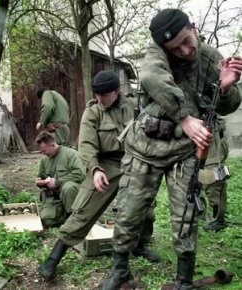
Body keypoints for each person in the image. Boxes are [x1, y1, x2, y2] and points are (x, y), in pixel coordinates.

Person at [100, 9, 242, 290]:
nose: (186, 51)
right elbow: (151, 76)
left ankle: (184, 280)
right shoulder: (156, 53)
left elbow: (231, 104)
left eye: (188, 41)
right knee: (129, 212)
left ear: (193, 26)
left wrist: (225, 88)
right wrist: (185, 117)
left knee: (186, 217)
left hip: (185, 152)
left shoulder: (212, 57)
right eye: (176, 48)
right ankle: (120, 270)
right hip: (145, 148)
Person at [37, 70, 160, 281]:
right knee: (83, 210)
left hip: (133, 162)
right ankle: (53, 260)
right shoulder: (92, 112)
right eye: (97, 94)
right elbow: (86, 145)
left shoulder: (132, 105)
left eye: (104, 94)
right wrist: (94, 169)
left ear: (116, 91)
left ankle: (140, 246)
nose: (99, 99)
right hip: (104, 165)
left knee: (146, 209)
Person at [36, 131, 85, 228]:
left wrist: (57, 182)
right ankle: (65, 216)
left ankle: (73, 218)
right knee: (47, 221)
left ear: (53, 145)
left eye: (45, 151)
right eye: (41, 151)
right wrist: (41, 182)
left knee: (68, 187)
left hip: (72, 195)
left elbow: (80, 174)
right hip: (54, 197)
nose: (43, 154)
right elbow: (39, 177)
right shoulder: (45, 160)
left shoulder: (71, 154)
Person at [202, 119, 229, 232]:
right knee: (193, 176)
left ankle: (218, 219)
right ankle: (200, 212)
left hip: (210, 129)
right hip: (192, 130)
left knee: (212, 177)